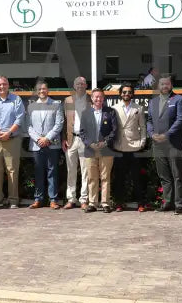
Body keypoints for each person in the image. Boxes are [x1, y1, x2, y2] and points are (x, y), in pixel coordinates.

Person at [146, 75, 182, 214]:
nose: (164, 86)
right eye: (162, 84)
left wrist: (167, 134)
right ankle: (168, 202)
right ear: (158, 86)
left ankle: (179, 204)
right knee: (164, 175)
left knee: (177, 175)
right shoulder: (153, 102)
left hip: (174, 143)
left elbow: (180, 120)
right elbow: (149, 120)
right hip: (157, 143)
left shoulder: (179, 99)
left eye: (167, 84)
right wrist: (152, 134)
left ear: (171, 85)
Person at [0, 75, 25, 208]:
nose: (2, 87)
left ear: (8, 85)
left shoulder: (16, 99)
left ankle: (13, 200)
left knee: (12, 170)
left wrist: (9, 133)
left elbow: (19, 119)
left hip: (12, 139)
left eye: (4, 84)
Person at [78, 88, 118, 213]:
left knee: (105, 177)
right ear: (92, 98)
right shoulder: (85, 113)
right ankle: (93, 203)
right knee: (92, 177)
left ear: (103, 98)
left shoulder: (110, 112)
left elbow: (114, 131)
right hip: (90, 150)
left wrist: (105, 142)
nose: (98, 99)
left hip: (106, 149)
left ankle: (105, 203)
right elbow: (82, 132)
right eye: (96, 97)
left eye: (100, 97)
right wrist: (90, 144)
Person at [27, 80, 65, 209]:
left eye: (44, 89)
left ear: (48, 90)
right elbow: (28, 126)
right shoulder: (31, 106)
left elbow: (59, 124)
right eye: (39, 89)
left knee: (52, 172)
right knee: (38, 172)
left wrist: (47, 138)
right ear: (36, 92)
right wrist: (39, 139)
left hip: (52, 143)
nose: (42, 91)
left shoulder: (56, 104)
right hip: (37, 144)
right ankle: (38, 199)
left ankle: (53, 199)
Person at [110, 81, 147, 211]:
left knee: (137, 178)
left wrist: (142, 142)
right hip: (119, 146)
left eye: (129, 92)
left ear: (132, 94)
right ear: (120, 94)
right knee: (119, 178)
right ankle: (119, 203)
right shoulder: (114, 108)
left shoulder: (139, 108)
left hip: (135, 146)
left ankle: (141, 204)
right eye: (124, 92)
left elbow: (143, 126)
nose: (127, 94)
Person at [61, 76, 90, 209]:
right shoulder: (68, 100)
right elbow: (64, 121)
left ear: (86, 86)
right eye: (77, 84)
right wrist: (63, 139)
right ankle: (71, 199)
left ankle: (84, 199)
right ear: (74, 86)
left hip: (86, 139)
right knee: (70, 170)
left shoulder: (91, 99)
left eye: (82, 84)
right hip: (71, 139)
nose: (80, 86)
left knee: (85, 171)